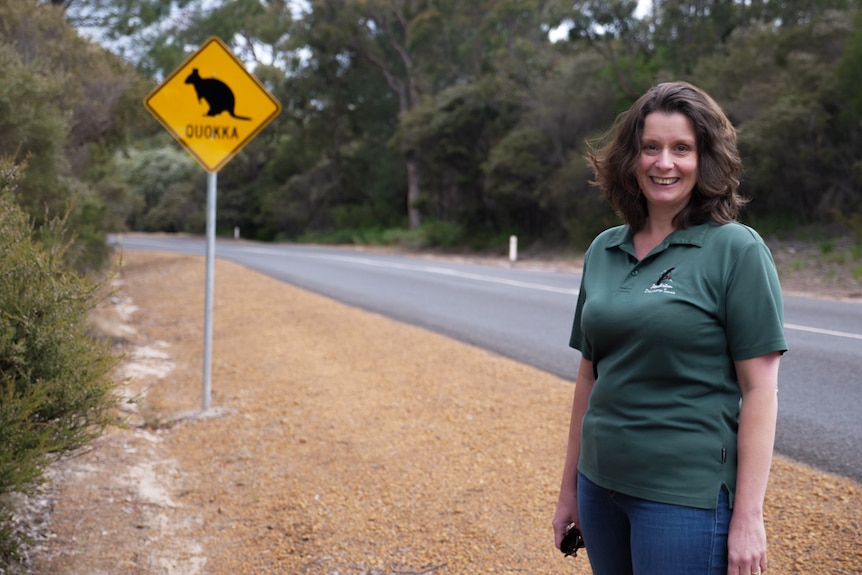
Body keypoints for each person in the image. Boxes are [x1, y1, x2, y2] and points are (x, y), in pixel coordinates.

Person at [552, 81, 788, 575]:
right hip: (599, 488)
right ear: (630, 159)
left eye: (682, 148)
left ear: (706, 160)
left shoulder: (736, 250)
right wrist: (569, 489)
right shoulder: (603, 250)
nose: (665, 163)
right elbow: (588, 377)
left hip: (683, 498)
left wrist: (748, 517)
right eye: (650, 148)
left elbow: (760, 390)